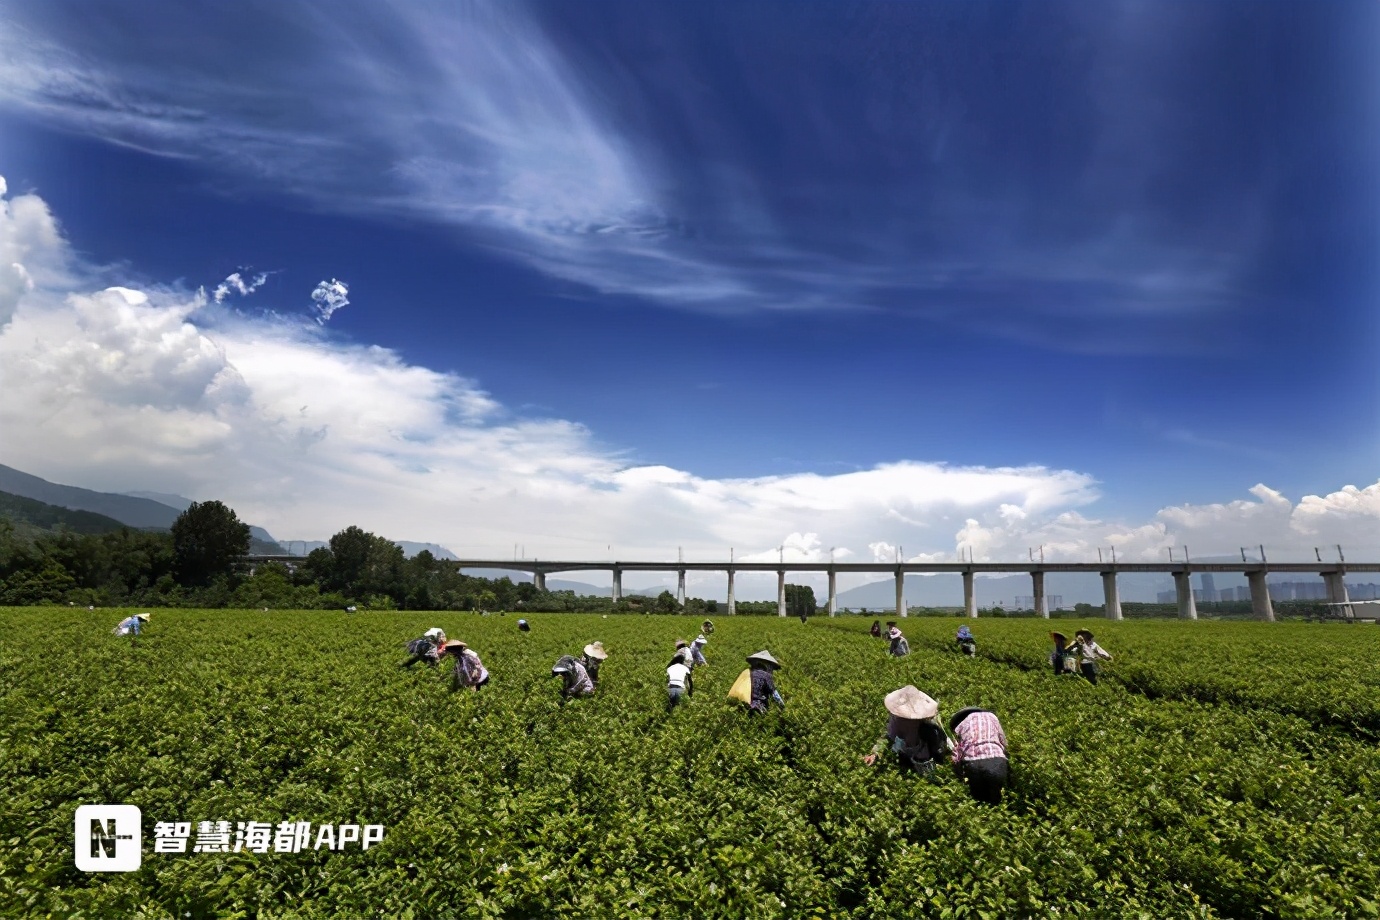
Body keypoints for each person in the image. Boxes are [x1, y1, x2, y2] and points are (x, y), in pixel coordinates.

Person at [862, 686, 950, 776]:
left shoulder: (928, 728)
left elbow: (936, 748)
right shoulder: (896, 720)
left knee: (927, 770)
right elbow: (888, 737)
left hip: (925, 752)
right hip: (906, 751)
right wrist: (875, 753)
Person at [949, 707, 1009, 804]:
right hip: (997, 761)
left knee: (979, 801)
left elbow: (958, 752)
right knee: (996, 799)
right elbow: (1004, 741)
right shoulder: (992, 717)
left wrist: (958, 772)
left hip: (973, 764)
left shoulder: (962, 725)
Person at [746, 650, 785, 714]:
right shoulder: (766, 675)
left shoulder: (748, 673)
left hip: (745, 705)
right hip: (759, 707)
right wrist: (783, 707)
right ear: (766, 664)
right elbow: (774, 694)